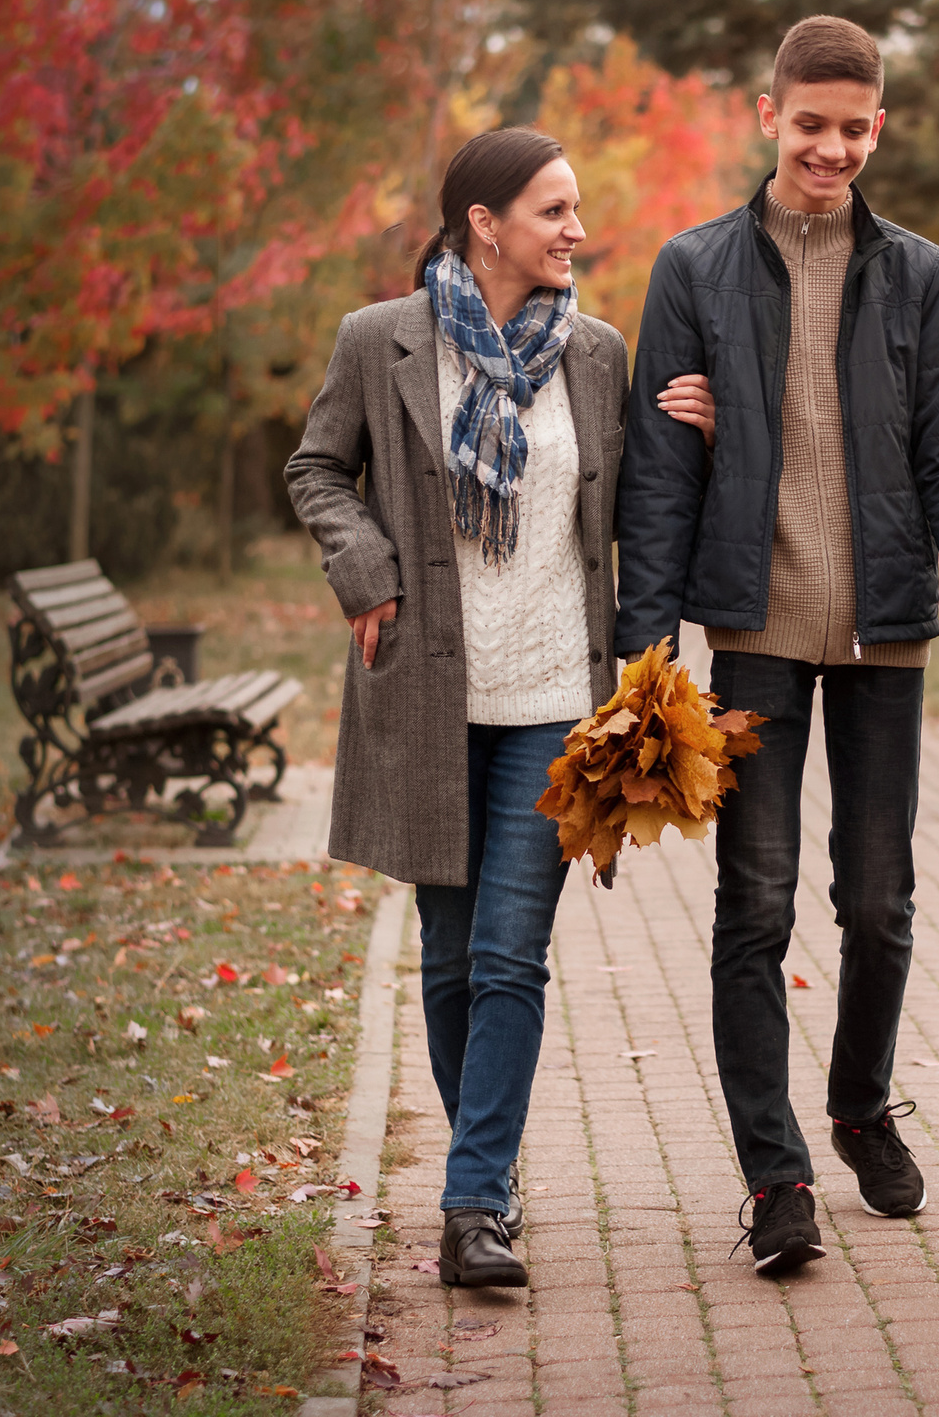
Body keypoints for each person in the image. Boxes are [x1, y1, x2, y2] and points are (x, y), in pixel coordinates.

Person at [615, 15, 939, 1276]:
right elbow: (656, 478)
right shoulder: (693, 269)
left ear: (877, 127)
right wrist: (644, 654)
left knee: (880, 904)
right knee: (755, 902)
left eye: (853, 129)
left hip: (885, 634)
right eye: (810, 126)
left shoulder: (917, 275)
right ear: (768, 116)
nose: (830, 149)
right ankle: (775, 1172)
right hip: (752, 633)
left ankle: (856, 1106)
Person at [285, 128, 711, 1290]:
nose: (578, 230)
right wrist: (364, 568)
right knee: (448, 960)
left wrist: (704, 435)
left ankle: (472, 1203)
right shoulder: (380, 341)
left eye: (575, 210)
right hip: (429, 694)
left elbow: (642, 501)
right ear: (485, 223)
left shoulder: (596, 353)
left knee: (508, 954)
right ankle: (492, 1164)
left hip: (555, 699)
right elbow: (316, 468)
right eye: (553, 211)